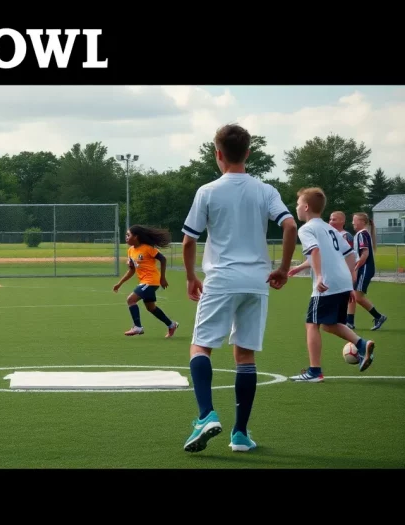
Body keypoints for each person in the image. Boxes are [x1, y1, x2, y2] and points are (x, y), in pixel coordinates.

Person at [180, 123, 297, 454]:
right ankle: (240, 434)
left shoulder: (208, 191)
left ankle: (205, 415)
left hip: (221, 279)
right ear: (248, 153)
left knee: (200, 347)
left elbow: (190, 240)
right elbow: (290, 225)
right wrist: (284, 268)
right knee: (245, 355)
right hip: (256, 282)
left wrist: (190, 277)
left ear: (217, 153)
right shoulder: (265, 190)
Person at [287, 188, 375, 382]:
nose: (297, 207)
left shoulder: (306, 228)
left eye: (298, 204)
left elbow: (316, 251)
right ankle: (362, 344)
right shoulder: (330, 229)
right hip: (341, 282)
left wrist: (319, 277)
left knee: (311, 324)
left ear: (307, 207)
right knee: (329, 324)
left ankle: (314, 372)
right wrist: (350, 283)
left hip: (327, 283)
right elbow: (349, 254)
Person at [112, 225, 179, 338]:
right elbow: (131, 270)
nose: (126, 237)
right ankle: (171, 324)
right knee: (151, 308)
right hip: (144, 282)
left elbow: (163, 259)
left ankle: (138, 327)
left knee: (131, 300)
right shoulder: (130, 251)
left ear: (136, 236)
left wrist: (163, 278)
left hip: (151, 281)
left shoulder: (147, 248)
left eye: (128, 235)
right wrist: (120, 283)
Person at [346, 212, 387, 331]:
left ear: (363, 222)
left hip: (365, 269)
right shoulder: (361, 234)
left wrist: (357, 266)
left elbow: (365, 253)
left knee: (358, 296)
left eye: (355, 220)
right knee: (352, 294)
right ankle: (349, 322)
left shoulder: (362, 234)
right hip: (362, 268)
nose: (352, 222)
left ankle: (379, 316)